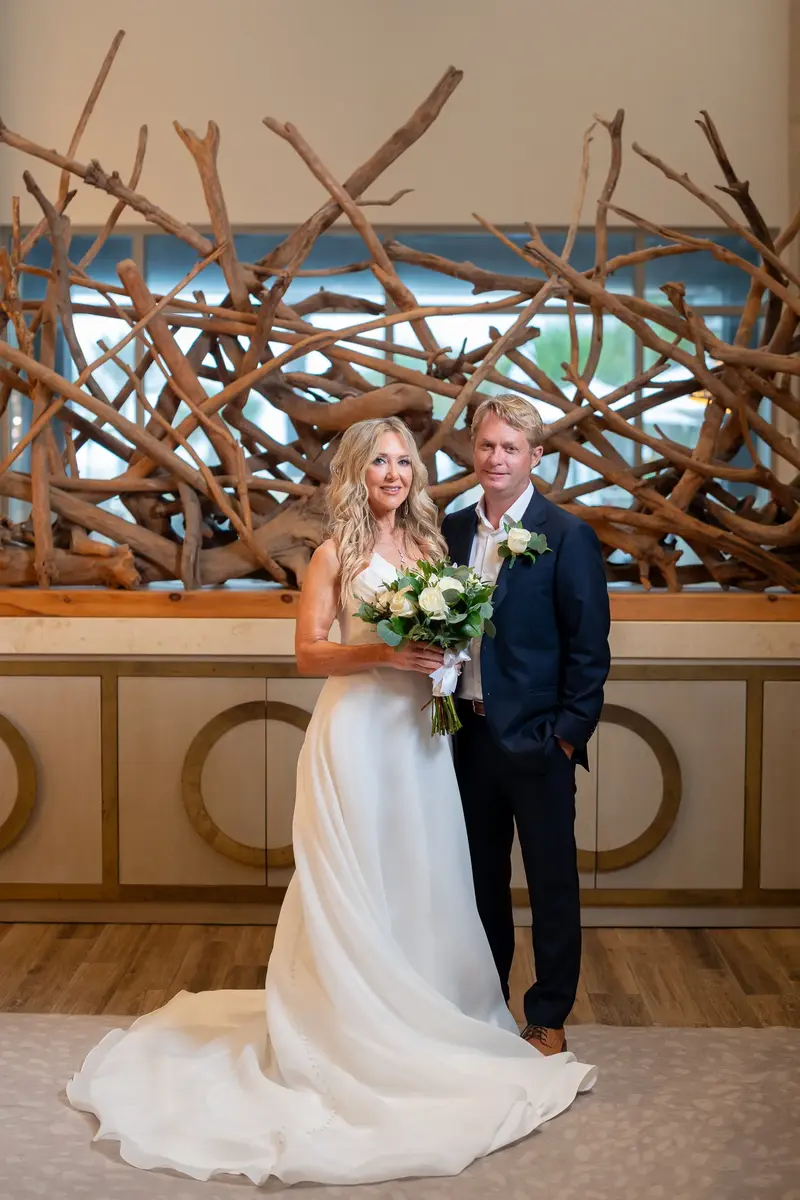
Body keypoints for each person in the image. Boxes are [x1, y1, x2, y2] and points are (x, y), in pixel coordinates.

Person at [66, 416, 595, 1188]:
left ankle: (463, 1016)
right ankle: (352, 1027)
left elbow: (548, 641)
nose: (393, 472)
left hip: (425, 739)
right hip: (358, 736)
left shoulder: (433, 546)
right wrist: (387, 652)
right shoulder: (334, 552)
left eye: (403, 460)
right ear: (356, 472)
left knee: (429, 880)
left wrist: (540, 721)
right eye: (378, 461)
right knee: (365, 882)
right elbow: (308, 651)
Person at [443, 394, 611, 1059]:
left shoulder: (567, 535)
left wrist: (565, 736)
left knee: (551, 885)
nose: (496, 458)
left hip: (540, 742)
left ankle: (547, 1015)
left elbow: (589, 649)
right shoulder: (452, 531)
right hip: (466, 737)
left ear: (536, 457)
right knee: (478, 882)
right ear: (473, 452)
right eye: (486, 446)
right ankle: (486, 1006)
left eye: (511, 447)